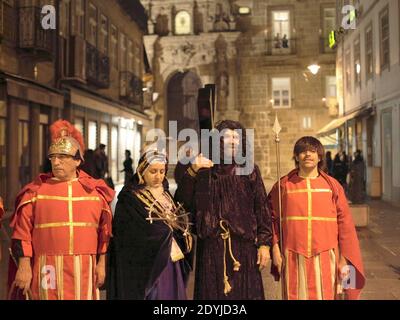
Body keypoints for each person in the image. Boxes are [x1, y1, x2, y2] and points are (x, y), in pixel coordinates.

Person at [8, 120, 115, 300]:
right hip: (46, 267)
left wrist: (101, 264)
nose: (56, 162)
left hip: (83, 267)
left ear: (77, 160)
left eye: (62, 157)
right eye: (53, 157)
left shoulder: (96, 194)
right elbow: (22, 233)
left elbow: (104, 234)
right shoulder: (34, 193)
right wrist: (24, 265)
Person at [175, 120, 272, 300]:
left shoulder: (249, 170)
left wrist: (265, 244)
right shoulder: (205, 170)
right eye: (226, 136)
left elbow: (262, 208)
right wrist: (193, 171)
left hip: (244, 248)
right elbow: (182, 202)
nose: (232, 140)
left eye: (236, 136)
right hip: (211, 247)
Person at [268, 136, 365, 300]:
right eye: (303, 151)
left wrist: (343, 259)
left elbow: (345, 226)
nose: (308, 155)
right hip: (292, 256)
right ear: (296, 156)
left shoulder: (333, 187)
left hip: (326, 256)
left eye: (312, 151)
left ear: (320, 156)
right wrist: (275, 248)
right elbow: (270, 218)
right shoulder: (283, 186)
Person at [107, 149, 193, 300]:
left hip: (171, 260)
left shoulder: (165, 194)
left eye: (162, 171)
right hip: (148, 264)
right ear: (142, 171)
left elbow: (178, 222)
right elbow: (126, 233)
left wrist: (179, 228)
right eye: (153, 171)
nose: (158, 176)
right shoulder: (130, 199)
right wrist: (163, 231)